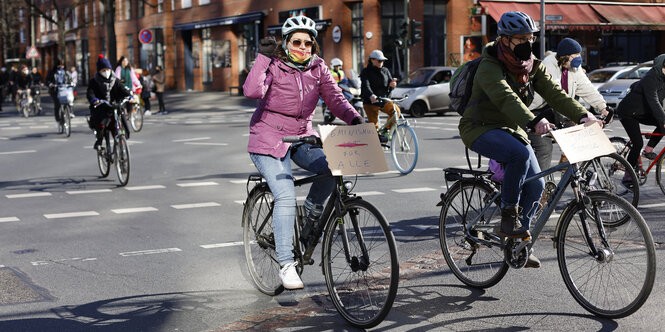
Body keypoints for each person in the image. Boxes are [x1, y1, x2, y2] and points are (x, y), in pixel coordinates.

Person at [458, 11, 599, 268]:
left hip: (511, 129)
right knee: (519, 155)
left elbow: (555, 94)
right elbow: (504, 97)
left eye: (530, 38)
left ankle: (518, 242)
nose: (528, 43)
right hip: (479, 128)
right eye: (521, 38)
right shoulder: (489, 65)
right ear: (506, 40)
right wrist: (533, 121)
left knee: (536, 185)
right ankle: (508, 217)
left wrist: (583, 114)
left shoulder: (532, 65)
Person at [243, 15, 363, 290]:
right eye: (296, 41)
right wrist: (262, 57)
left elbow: (335, 98)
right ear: (285, 44)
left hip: (301, 136)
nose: (303, 47)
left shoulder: (318, 67)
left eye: (308, 43)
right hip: (268, 138)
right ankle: (286, 265)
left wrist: (355, 120)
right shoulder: (273, 64)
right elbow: (251, 91)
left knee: (334, 166)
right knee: (285, 194)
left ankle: (310, 214)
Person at [528, 38, 611, 170]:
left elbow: (586, 87)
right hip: (536, 111)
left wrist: (603, 106)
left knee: (579, 141)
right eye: (576, 55)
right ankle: (538, 186)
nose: (579, 58)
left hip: (559, 109)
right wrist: (576, 115)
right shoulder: (548, 66)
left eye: (580, 54)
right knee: (544, 148)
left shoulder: (574, 68)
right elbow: (556, 96)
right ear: (565, 56)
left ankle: (569, 171)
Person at [617, 54, 665, 173]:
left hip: (643, 111)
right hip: (628, 112)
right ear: (662, 67)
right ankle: (628, 173)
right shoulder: (651, 78)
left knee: (661, 125)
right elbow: (653, 101)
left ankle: (648, 151)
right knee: (638, 143)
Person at [87, 55, 133, 150]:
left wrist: (129, 96)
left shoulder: (115, 79)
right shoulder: (94, 81)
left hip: (114, 105)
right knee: (101, 122)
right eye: (103, 70)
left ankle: (122, 138)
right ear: (99, 71)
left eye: (107, 69)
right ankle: (99, 141)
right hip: (101, 106)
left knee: (120, 119)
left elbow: (122, 89)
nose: (106, 72)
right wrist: (93, 99)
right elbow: (90, 92)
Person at [360, 50, 399, 140]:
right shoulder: (366, 72)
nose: (381, 63)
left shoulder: (385, 71)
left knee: (396, 111)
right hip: (370, 102)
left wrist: (392, 85)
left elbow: (390, 85)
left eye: (383, 61)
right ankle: (375, 142)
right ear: (372, 60)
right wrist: (371, 95)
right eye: (379, 61)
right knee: (374, 128)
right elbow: (366, 86)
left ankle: (386, 130)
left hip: (384, 99)